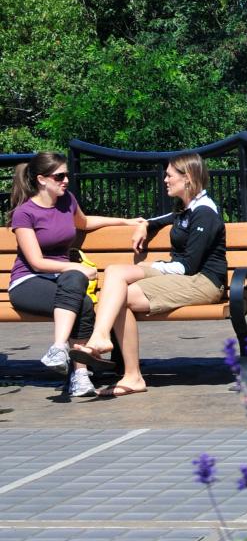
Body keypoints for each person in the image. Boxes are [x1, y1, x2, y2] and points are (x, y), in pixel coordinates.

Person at [71, 153, 227, 396]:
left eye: (169, 175)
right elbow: (162, 219)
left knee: (120, 293)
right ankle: (105, 342)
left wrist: (154, 266)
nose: (165, 179)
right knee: (114, 272)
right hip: (183, 277)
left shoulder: (204, 213)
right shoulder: (187, 209)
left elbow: (189, 267)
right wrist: (144, 225)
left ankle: (128, 371)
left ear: (188, 178)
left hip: (204, 282)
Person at [8, 152, 147, 401]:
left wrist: (125, 222)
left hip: (62, 282)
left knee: (81, 297)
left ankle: (69, 363)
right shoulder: (25, 214)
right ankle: (69, 359)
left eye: (66, 176)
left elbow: (84, 222)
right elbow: (36, 262)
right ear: (41, 179)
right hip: (28, 282)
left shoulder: (67, 201)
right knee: (76, 282)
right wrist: (76, 268)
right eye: (59, 176)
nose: (65, 181)